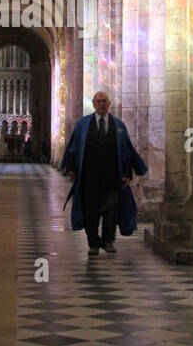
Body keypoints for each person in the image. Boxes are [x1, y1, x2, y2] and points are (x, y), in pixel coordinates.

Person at [61, 91, 147, 255]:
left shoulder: (119, 126)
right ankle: (93, 243)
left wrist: (127, 174)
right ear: (94, 104)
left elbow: (127, 152)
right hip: (89, 177)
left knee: (111, 212)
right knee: (90, 212)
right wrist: (72, 168)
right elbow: (73, 148)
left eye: (104, 101)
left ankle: (108, 241)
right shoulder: (83, 125)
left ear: (109, 104)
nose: (102, 104)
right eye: (99, 101)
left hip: (112, 176)